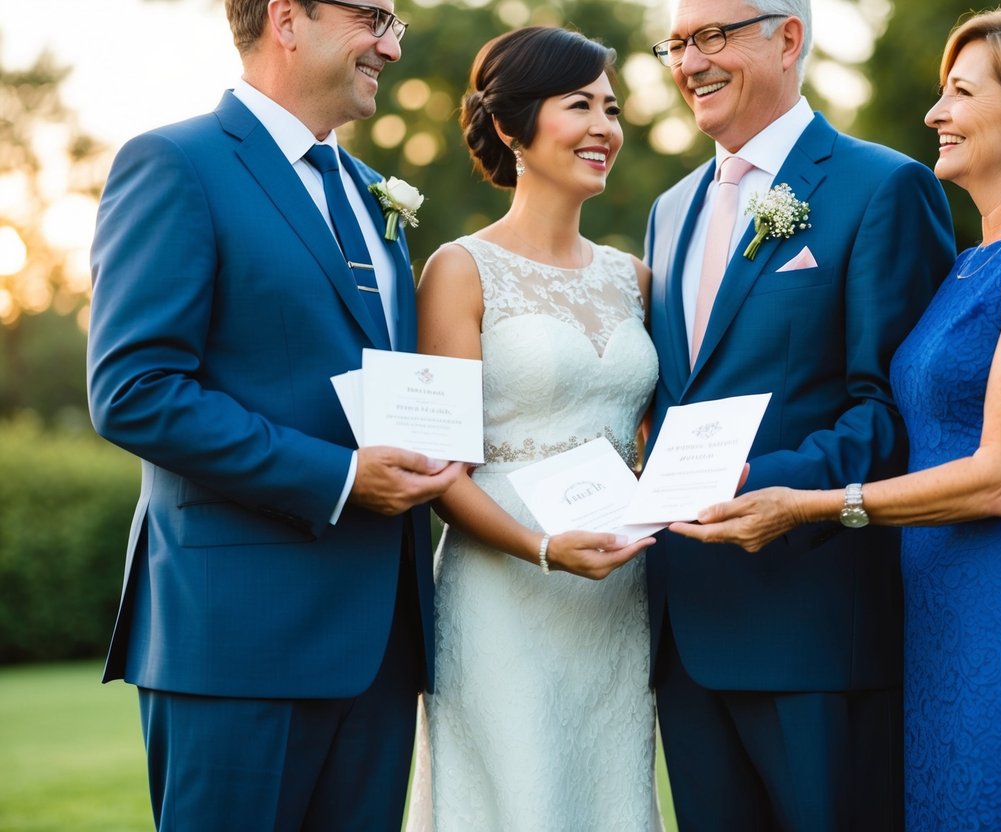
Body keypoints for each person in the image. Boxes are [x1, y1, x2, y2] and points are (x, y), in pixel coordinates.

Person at [673, 7, 1001, 829]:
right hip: (937, 613)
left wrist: (809, 504)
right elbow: (929, 412)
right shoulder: (968, 266)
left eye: (960, 93)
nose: (934, 113)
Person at [86, 1, 463, 828]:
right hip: (236, 637)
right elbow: (134, 390)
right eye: (374, 17)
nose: (392, 46)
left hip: (381, 642)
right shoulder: (174, 163)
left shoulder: (372, 194)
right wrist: (337, 476)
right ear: (288, 17)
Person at [643, 0, 957, 827]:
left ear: (787, 38)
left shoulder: (883, 186)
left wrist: (768, 485)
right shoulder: (667, 210)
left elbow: (898, 410)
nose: (689, 62)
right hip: (685, 627)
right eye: (675, 43)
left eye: (712, 36)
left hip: (816, 624)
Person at [403, 27, 661, 829]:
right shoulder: (459, 268)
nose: (604, 128)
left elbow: (657, 439)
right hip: (503, 591)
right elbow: (439, 469)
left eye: (611, 108)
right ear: (513, 126)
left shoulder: (635, 278)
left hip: (619, 592)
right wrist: (543, 548)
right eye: (578, 104)